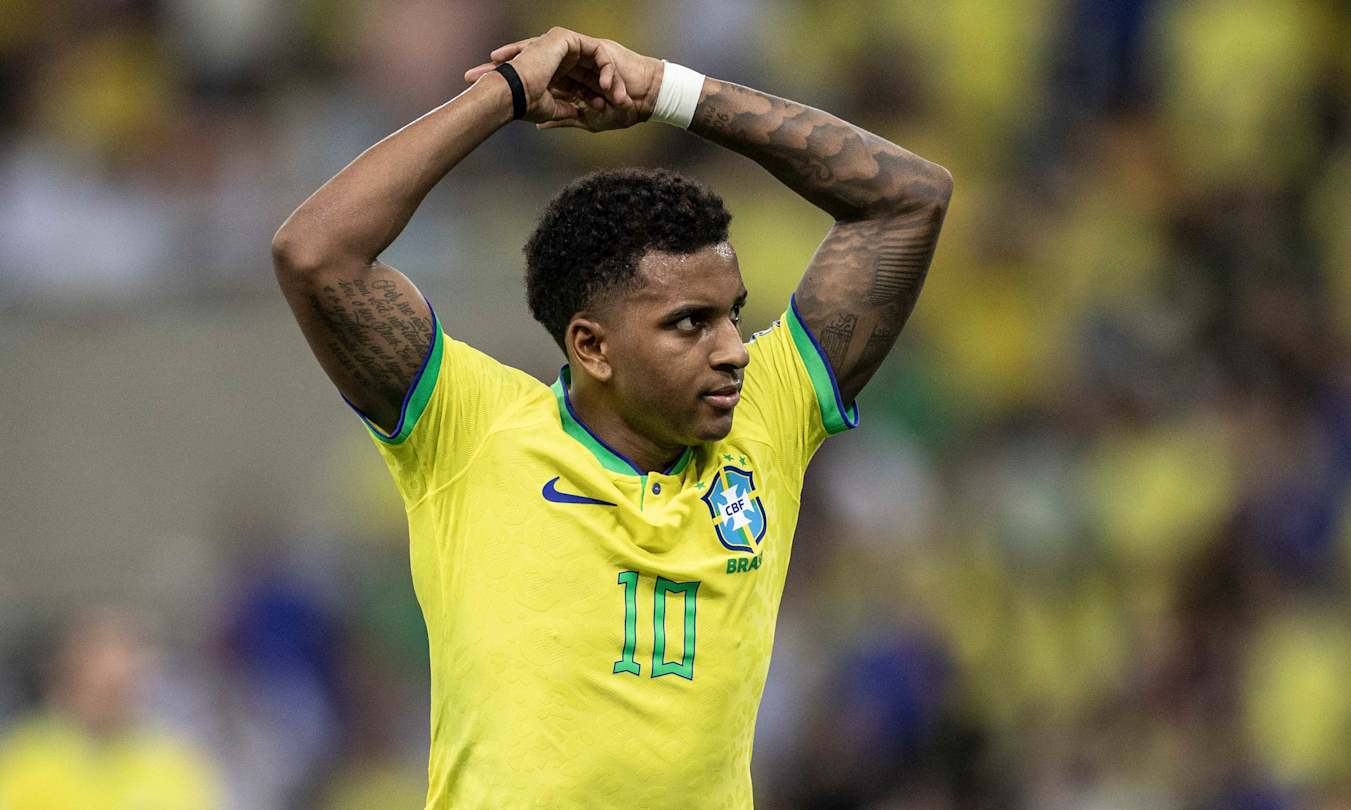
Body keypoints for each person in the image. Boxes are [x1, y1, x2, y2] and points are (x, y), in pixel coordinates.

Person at [271, 26, 950, 808]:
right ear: (592, 347)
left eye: (733, 315)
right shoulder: (470, 430)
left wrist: (667, 90)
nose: (734, 350)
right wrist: (506, 95)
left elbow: (909, 199)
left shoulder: (765, 416)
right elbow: (314, 253)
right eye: (690, 323)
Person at [0, 608, 220, 809]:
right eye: (100, 686)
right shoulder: (22, 758)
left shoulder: (174, 762)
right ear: (68, 679)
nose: (112, 700)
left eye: (122, 687)